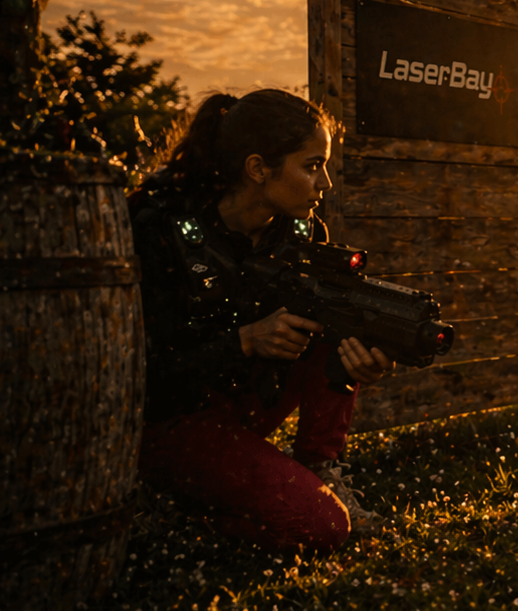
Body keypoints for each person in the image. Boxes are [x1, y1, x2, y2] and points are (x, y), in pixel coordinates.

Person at [129, 90, 392, 551]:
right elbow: (140, 384)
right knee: (323, 528)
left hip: (243, 408)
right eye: (312, 166)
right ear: (257, 169)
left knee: (338, 312)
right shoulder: (159, 230)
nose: (325, 182)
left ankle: (319, 466)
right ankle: (174, 520)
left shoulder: (298, 232)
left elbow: (322, 341)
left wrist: (353, 368)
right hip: (171, 424)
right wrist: (245, 341)